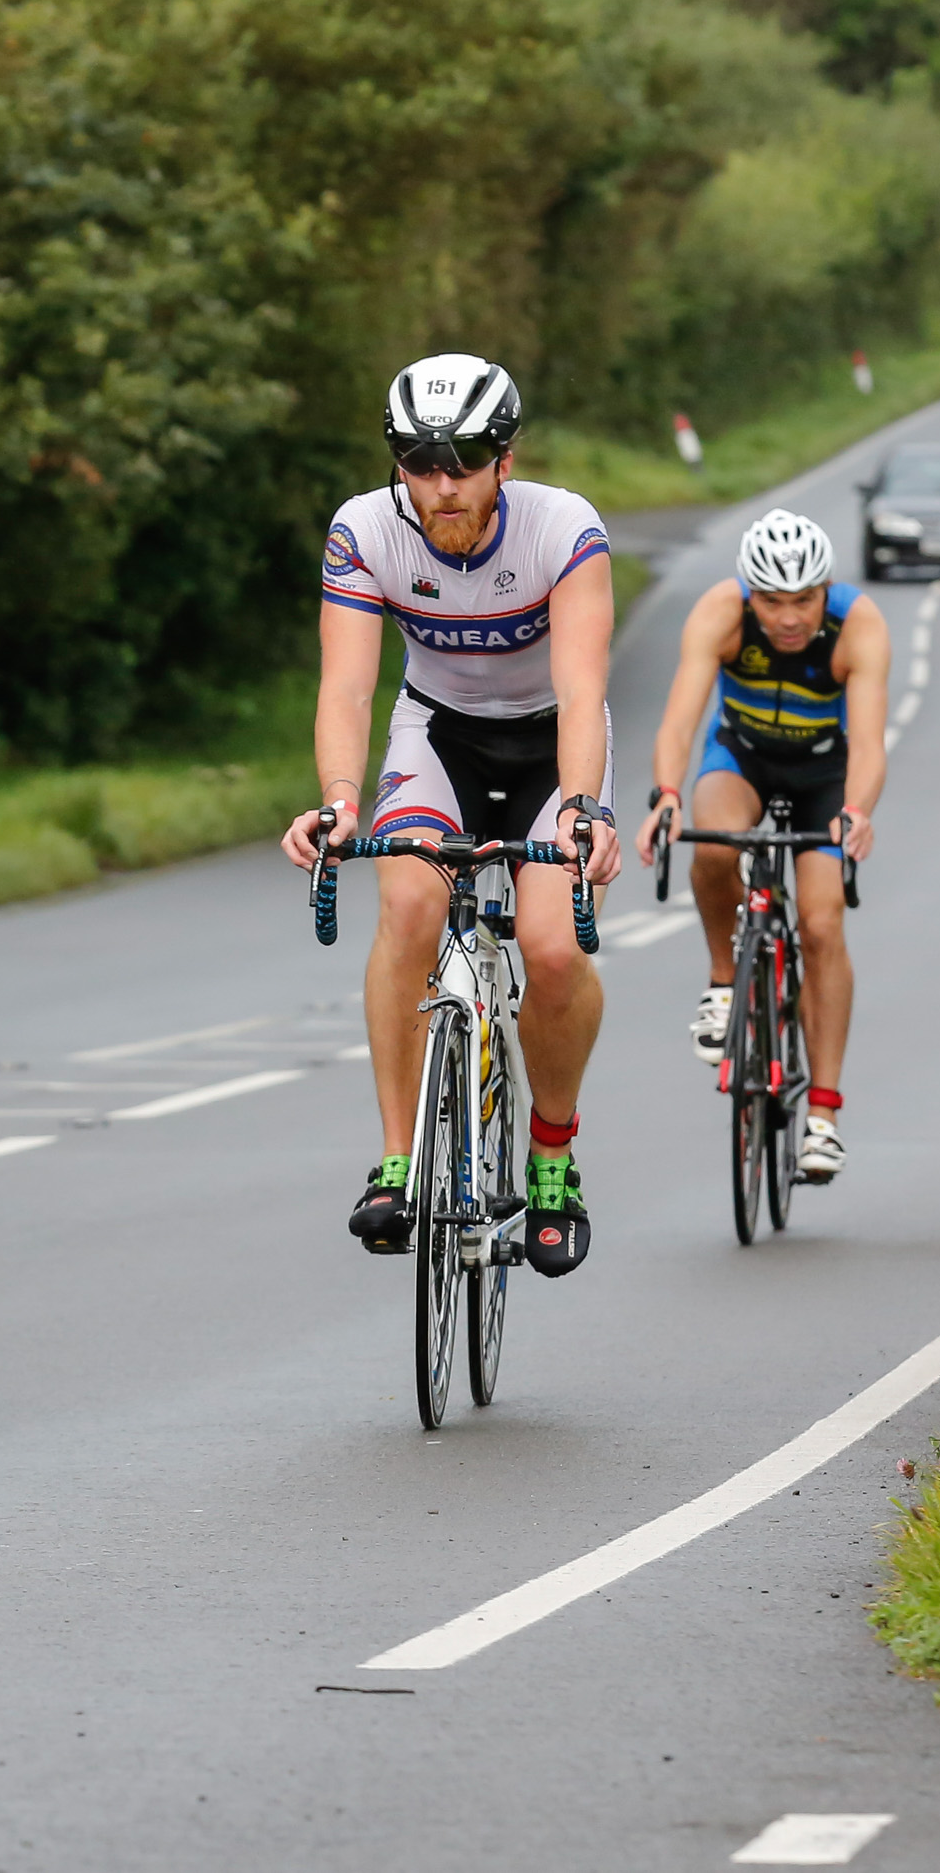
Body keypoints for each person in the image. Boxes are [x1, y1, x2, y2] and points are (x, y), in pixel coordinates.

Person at [282, 354, 622, 1278]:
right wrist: (340, 801)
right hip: (437, 736)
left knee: (552, 949)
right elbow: (349, 687)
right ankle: (398, 1161)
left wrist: (585, 811)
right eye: (419, 462)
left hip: (553, 744)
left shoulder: (563, 528)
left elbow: (583, 684)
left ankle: (551, 1158)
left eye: (464, 460)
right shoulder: (364, 531)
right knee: (407, 908)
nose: (441, 485)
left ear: (504, 459)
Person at [638, 511, 890, 1180]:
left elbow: (867, 744)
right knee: (715, 848)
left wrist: (857, 812)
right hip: (741, 756)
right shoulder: (720, 614)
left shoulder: (857, 625)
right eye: (772, 601)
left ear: (825, 589)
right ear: (749, 593)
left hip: (823, 772)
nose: (788, 617)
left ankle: (824, 1117)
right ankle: (725, 982)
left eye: (803, 599)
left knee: (820, 920)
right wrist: (666, 793)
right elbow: (679, 720)